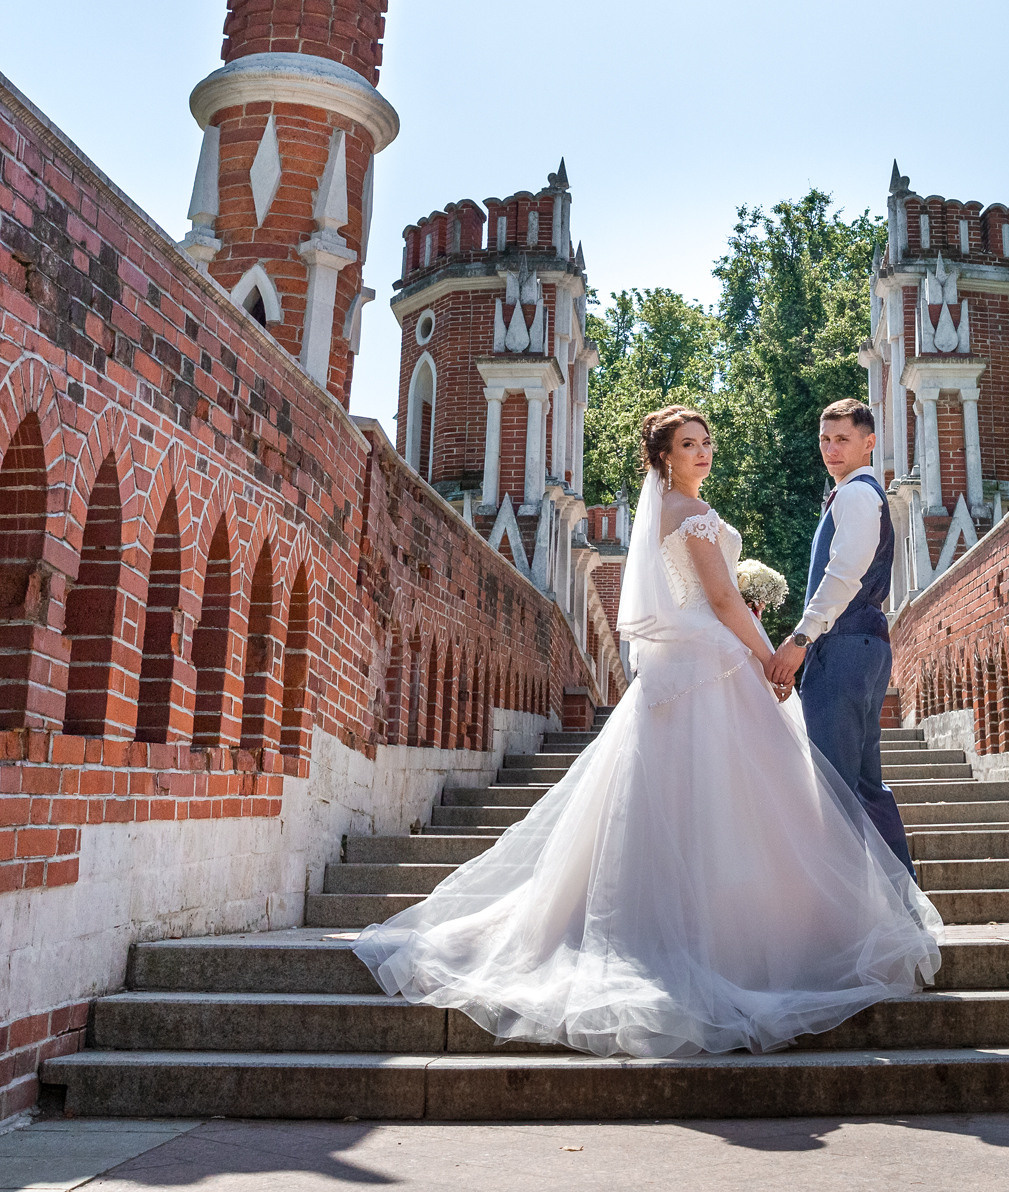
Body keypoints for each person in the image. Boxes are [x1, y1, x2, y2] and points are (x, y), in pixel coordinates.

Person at [353, 405, 940, 1058]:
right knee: (745, 797)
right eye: (689, 445)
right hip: (711, 658)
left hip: (699, 659)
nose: (703, 453)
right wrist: (769, 650)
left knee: (725, 799)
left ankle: (783, 919)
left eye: (707, 442)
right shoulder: (685, 515)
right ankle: (746, 934)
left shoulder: (683, 510)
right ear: (663, 458)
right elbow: (719, 601)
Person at [769, 399, 915, 878]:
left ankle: (857, 910)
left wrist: (800, 639)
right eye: (825, 439)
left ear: (868, 442)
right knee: (866, 786)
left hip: (847, 647)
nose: (831, 449)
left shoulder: (855, 495)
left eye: (842, 439)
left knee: (835, 787)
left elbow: (844, 574)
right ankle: (900, 898)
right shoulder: (856, 493)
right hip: (865, 645)